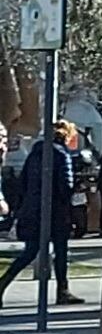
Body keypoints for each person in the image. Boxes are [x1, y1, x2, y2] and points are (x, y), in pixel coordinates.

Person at [0, 122, 77, 308]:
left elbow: (23, 183)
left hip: (32, 209)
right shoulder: (61, 154)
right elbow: (65, 185)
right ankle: (62, 290)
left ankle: (3, 282)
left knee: (30, 251)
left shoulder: (35, 153)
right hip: (55, 211)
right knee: (60, 251)